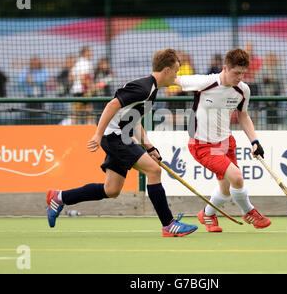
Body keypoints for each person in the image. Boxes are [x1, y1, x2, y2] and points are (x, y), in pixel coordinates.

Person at [46, 48, 198, 237]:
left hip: (119, 135)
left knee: (112, 189)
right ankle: (168, 224)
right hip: (114, 137)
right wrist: (97, 134)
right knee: (154, 170)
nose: (176, 76)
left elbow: (133, 120)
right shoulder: (144, 88)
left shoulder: (151, 91)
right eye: (175, 71)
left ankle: (59, 197)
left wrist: (149, 147)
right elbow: (112, 105)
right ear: (166, 70)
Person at [173, 48, 271, 233]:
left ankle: (207, 214)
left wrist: (254, 142)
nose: (240, 77)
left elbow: (243, 115)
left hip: (226, 142)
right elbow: (172, 79)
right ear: (225, 68)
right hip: (201, 144)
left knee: (225, 189)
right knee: (237, 177)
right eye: (236, 73)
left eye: (243, 73)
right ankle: (249, 212)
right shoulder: (205, 82)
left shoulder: (243, 90)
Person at [18, 56, 48, 124]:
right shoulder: (26, 70)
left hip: (40, 96)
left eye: (36, 63)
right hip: (29, 96)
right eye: (33, 63)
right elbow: (20, 79)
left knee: (39, 113)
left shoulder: (43, 70)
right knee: (29, 114)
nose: (35, 64)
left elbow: (44, 79)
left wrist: (33, 80)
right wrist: (26, 79)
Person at [70, 46, 95, 125]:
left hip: (76, 90)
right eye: (89, 52)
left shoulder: (78, 63)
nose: (91, 54)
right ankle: (89, 127)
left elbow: (71, 77)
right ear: (84, 53)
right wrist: (91, 87)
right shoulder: (86, 63)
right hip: (83, 91)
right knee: (89, 110)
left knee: (76, 111)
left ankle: (73, 128)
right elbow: (83, 78)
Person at [257, 53, 283, 125]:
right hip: (264, 94)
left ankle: (276, 125)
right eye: (269, 59)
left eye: (272, 59)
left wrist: (273, 78)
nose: (270, 61)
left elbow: (281, 79)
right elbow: (257, 79)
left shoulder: (278, 69)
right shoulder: (262, 69)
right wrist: (266, 79)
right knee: (267, 112)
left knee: (275, 112)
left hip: (276, 94)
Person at [243, 42, 263, 124]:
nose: (249, 50)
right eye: (247, 48)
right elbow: (241, 71)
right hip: (243, 84)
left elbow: (257, 72)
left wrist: (248, 72)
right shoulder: (240, 59)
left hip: (254, 84)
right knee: (243, 104)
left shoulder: (257, 59)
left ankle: (255, 122)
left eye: (250, 48)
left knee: (255, 104)